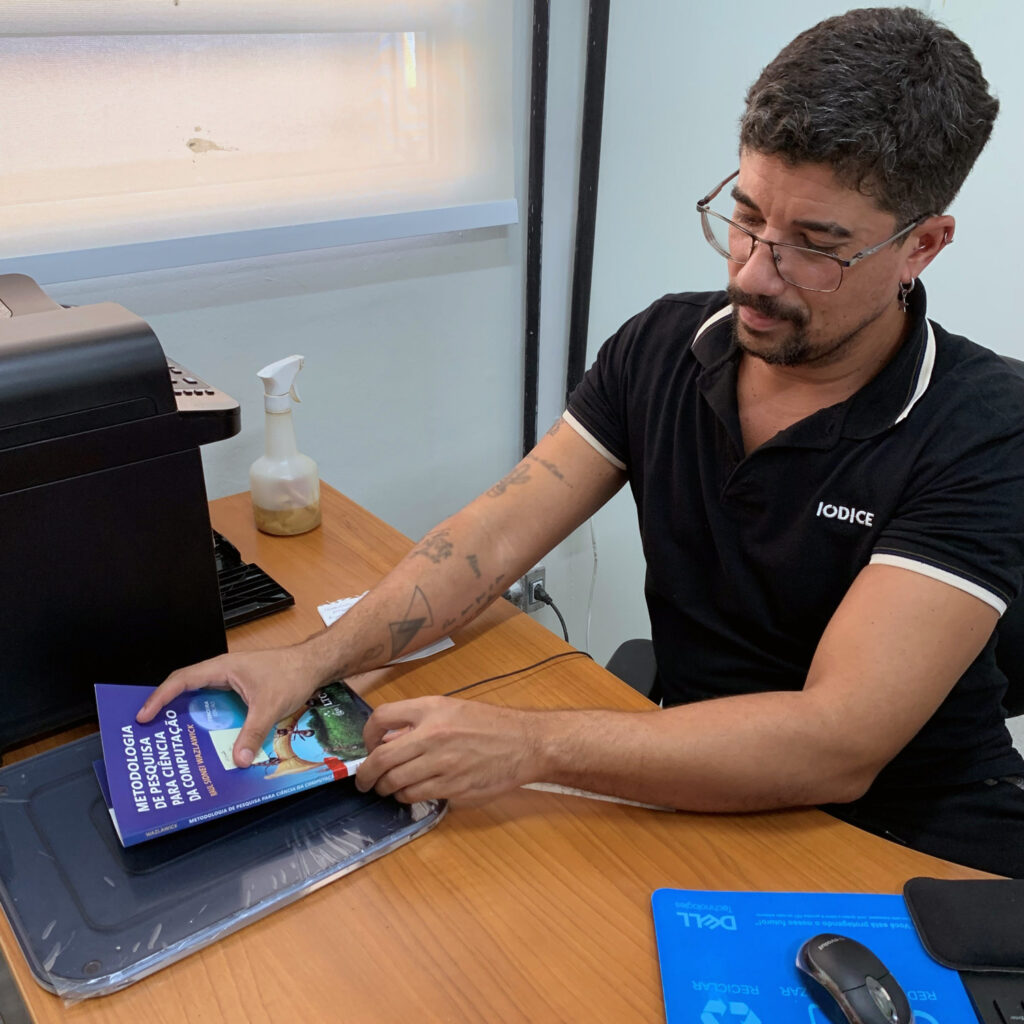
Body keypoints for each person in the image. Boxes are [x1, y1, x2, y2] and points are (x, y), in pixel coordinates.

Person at [139, 7, 1024, 876]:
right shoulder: (665, 346)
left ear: (924, 247)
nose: (754, 272)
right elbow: (489, 540)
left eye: (816, 246)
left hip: (906, 838)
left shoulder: (985, 425)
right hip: (696, 783)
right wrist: (308, 662)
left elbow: (838, 744)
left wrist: (532, 745)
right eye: (746, 215)